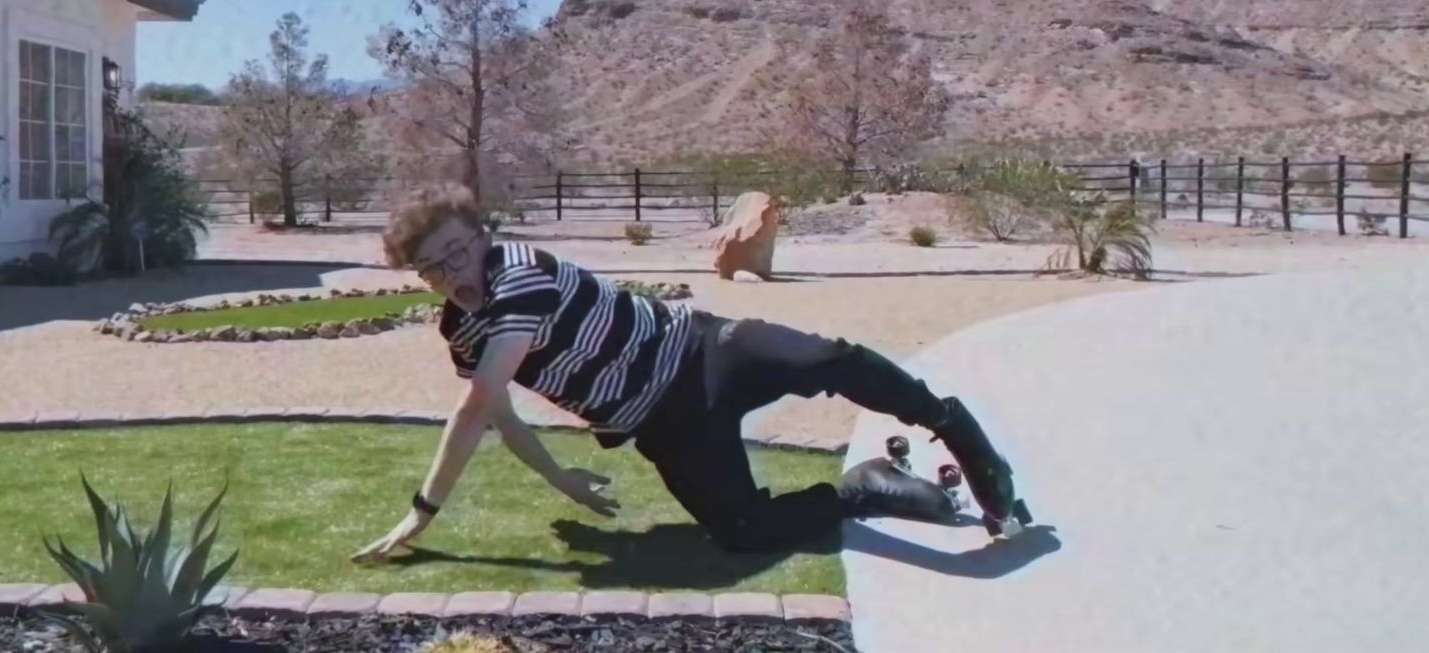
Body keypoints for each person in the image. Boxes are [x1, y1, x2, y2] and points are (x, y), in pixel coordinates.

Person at [351, 181, 1027, 562]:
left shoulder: (519, 273)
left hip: (706, 351)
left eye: (458, 252)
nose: (451, 274)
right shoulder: (461, 332)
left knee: (827, 357)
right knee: (742, 533)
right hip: (664, 424)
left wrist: (423, 513)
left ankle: (955, 428)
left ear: (482, 240)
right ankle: (866, 489)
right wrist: (561, 478)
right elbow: (499, 414)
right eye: (433, 267)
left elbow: (474, 406)